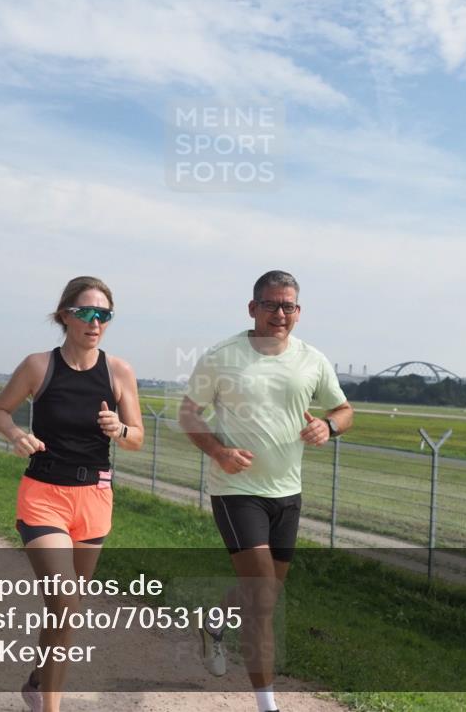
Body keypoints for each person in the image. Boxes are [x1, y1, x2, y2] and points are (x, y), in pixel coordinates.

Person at [179, 270, 353, 712]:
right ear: (252, 308)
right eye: (271, 305)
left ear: (299, 312)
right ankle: (266, 705)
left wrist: (328, 427)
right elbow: (188, 413)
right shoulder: (222, 357)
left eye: (288, 306)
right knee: (261, 600)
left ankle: (213, 621)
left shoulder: (313, 359)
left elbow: (344, 409)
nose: (280, 314)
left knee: (265, 591)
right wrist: (218, 451)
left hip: (288, 493)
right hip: (237, 491)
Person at [0, 276, 143, 712]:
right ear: (65, 316)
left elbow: (137, 438)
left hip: (94, 497)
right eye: (87, 312)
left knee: (64, 611)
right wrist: (17, 434)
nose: (96, 322)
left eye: (104, 315)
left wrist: (122, 429)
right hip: (44, 494)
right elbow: (1, 409)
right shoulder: (40, 366)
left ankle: (40, 681)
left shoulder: (119, 372)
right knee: (65, 599)